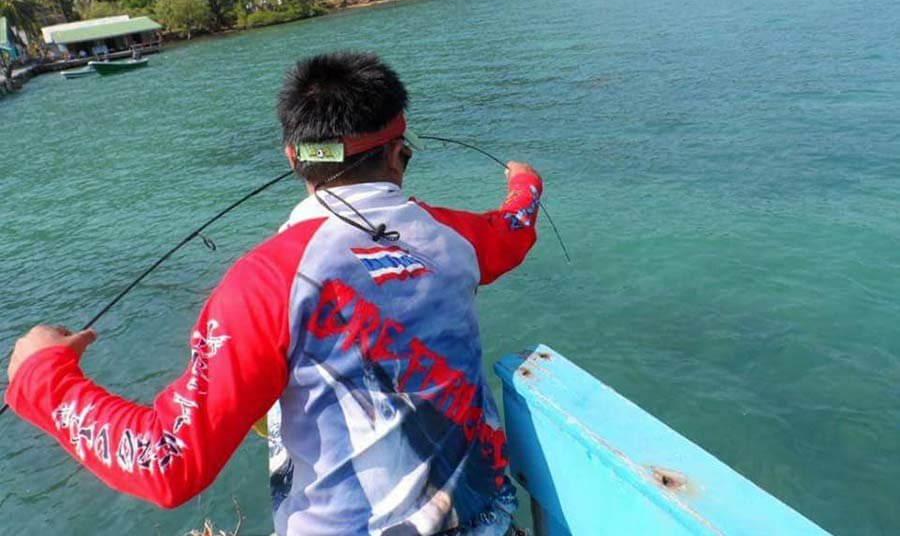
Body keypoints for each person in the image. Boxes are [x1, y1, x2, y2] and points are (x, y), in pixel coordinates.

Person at [5, 52, 542, 536]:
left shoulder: (264, 283)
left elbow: (166, 461)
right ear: (399, 153)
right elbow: (514, 228)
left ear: (292, 157)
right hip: (491, 520)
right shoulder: (455, 238)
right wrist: (525, 183)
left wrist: (41, 376)